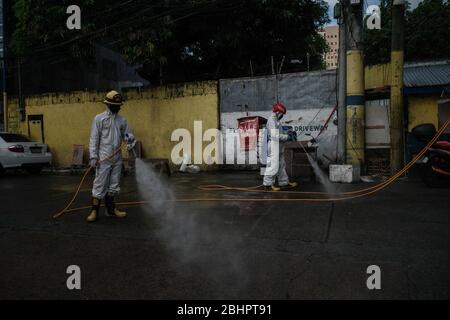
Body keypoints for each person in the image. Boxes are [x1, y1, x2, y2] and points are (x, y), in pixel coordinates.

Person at [86, 90, 135, 222]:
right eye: (116, 105)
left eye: (119, 105)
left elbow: (128, 135)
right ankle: (94, 212)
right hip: (103, 158)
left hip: (117, 158)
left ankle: (110, 210)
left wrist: (130, 138)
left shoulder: (122, 120)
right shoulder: (99, 119)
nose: (118, 108)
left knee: (114, 184)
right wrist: (93, 157)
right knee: (99, 184)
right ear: (108, 104)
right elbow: (94, 139)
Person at [263, 102, 297, 191]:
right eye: (282, 114)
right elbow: (274, 135)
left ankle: (284, 182)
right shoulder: (272, 120)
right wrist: (287, 137)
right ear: (278, 112)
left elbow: (279, 133)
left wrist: (287, 133)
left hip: (279, 146)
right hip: (274, 146)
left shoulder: (277, 121)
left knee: (281, 165)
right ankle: (268, 184)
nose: (282, 116)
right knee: (273, 165)